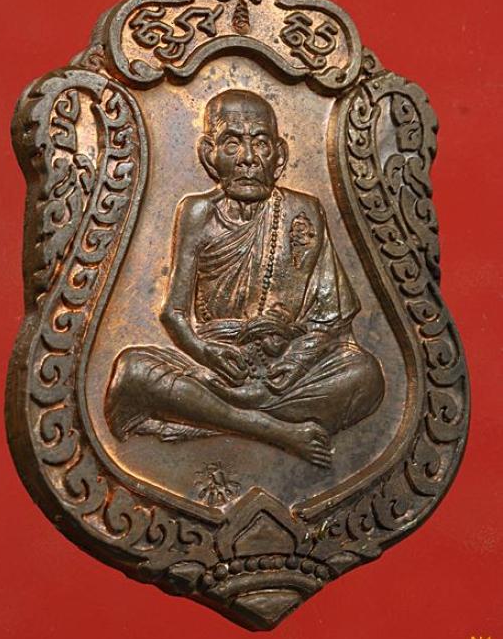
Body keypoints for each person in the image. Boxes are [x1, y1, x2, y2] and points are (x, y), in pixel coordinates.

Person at [105, 89, 384, 467]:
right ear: (209, 154)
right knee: (133, 370)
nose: (249, 158)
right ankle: (275, 431)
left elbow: (330, 318)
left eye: (261, 144)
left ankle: (209, 419)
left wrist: (295, 362)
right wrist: (207, 353)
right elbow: (174, 313)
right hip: (217, 366)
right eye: (233, 143)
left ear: (279, 156)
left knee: (366, 374)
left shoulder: (303, 211)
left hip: (283, 370)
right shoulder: (198, 212)